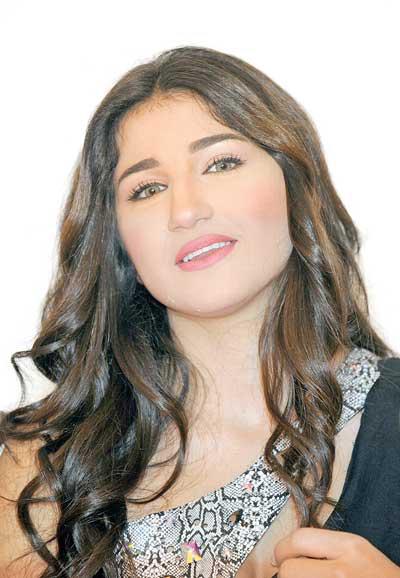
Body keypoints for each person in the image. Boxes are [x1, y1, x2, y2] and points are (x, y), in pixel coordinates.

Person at [0, 45, 399, 578]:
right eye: (147, 188)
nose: (186, 210)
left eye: (222, 163)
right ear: (119, 244)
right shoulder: (45, 470)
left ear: (297, 186)